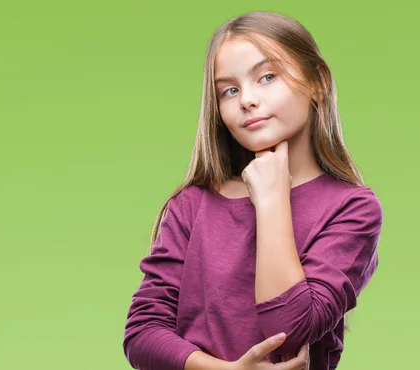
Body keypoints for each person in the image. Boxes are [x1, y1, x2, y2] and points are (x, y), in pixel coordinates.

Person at [122, 11, 383, 370]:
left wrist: (273, 200)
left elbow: (289, 330)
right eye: (230, 90)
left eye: (267, 77)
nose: (246, 99)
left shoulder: (352, 209)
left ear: (317, 81)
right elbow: (142, 333)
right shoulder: (192, 206)